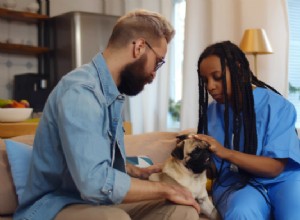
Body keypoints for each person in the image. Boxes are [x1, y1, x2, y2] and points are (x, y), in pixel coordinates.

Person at [14, 9, 200, 220]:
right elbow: (94, 183)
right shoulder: (81, 92)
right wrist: (166, 189)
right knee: (113, 218)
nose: (154, 74)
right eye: (158, 62)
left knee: (181, 210)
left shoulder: (110, 95)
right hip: (55, 204)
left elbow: (91, 157)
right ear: (139, 47)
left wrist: (132, 170)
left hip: (94, 202)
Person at [193, 40, 300, 219]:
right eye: (205, 80)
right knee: (241, 212)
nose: (210, 86)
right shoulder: (212, 112)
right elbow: (213, 167)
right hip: (239, 183)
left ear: (239, 70)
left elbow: (274, 168)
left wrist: (225, 152)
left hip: (284, 180)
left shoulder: (278, 106)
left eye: (217, 77)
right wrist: (186, 160)